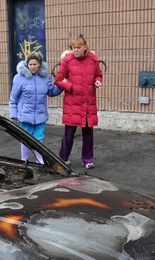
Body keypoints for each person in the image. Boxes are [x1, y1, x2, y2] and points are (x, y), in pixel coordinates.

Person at [55, 36, 103, 169]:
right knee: (69, 134)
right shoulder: (67, 60)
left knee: (88, 134)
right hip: (72, 104)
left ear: (85, 47)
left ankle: (87, 160)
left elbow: (98, 74)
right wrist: (70, 87)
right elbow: (58, 80)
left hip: (88, 103)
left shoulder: (93, 60)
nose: (75, 50)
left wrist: (98, 81)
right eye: (73, 47)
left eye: (78, 47)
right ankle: (63, 158)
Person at [9, 51, 62, 164]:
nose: (33, 67)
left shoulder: (45, 77)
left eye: (35, 64)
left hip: (40, 115)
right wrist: (14, 115)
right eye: (30, 64)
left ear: (39, 65)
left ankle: (39, 160)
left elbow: (51, 91)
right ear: (27, 65)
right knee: (25, 140)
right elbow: (13, 99)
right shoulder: (19, 78)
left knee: (39, 139)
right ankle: (24, 160)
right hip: (25, 116)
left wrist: (61, 86)